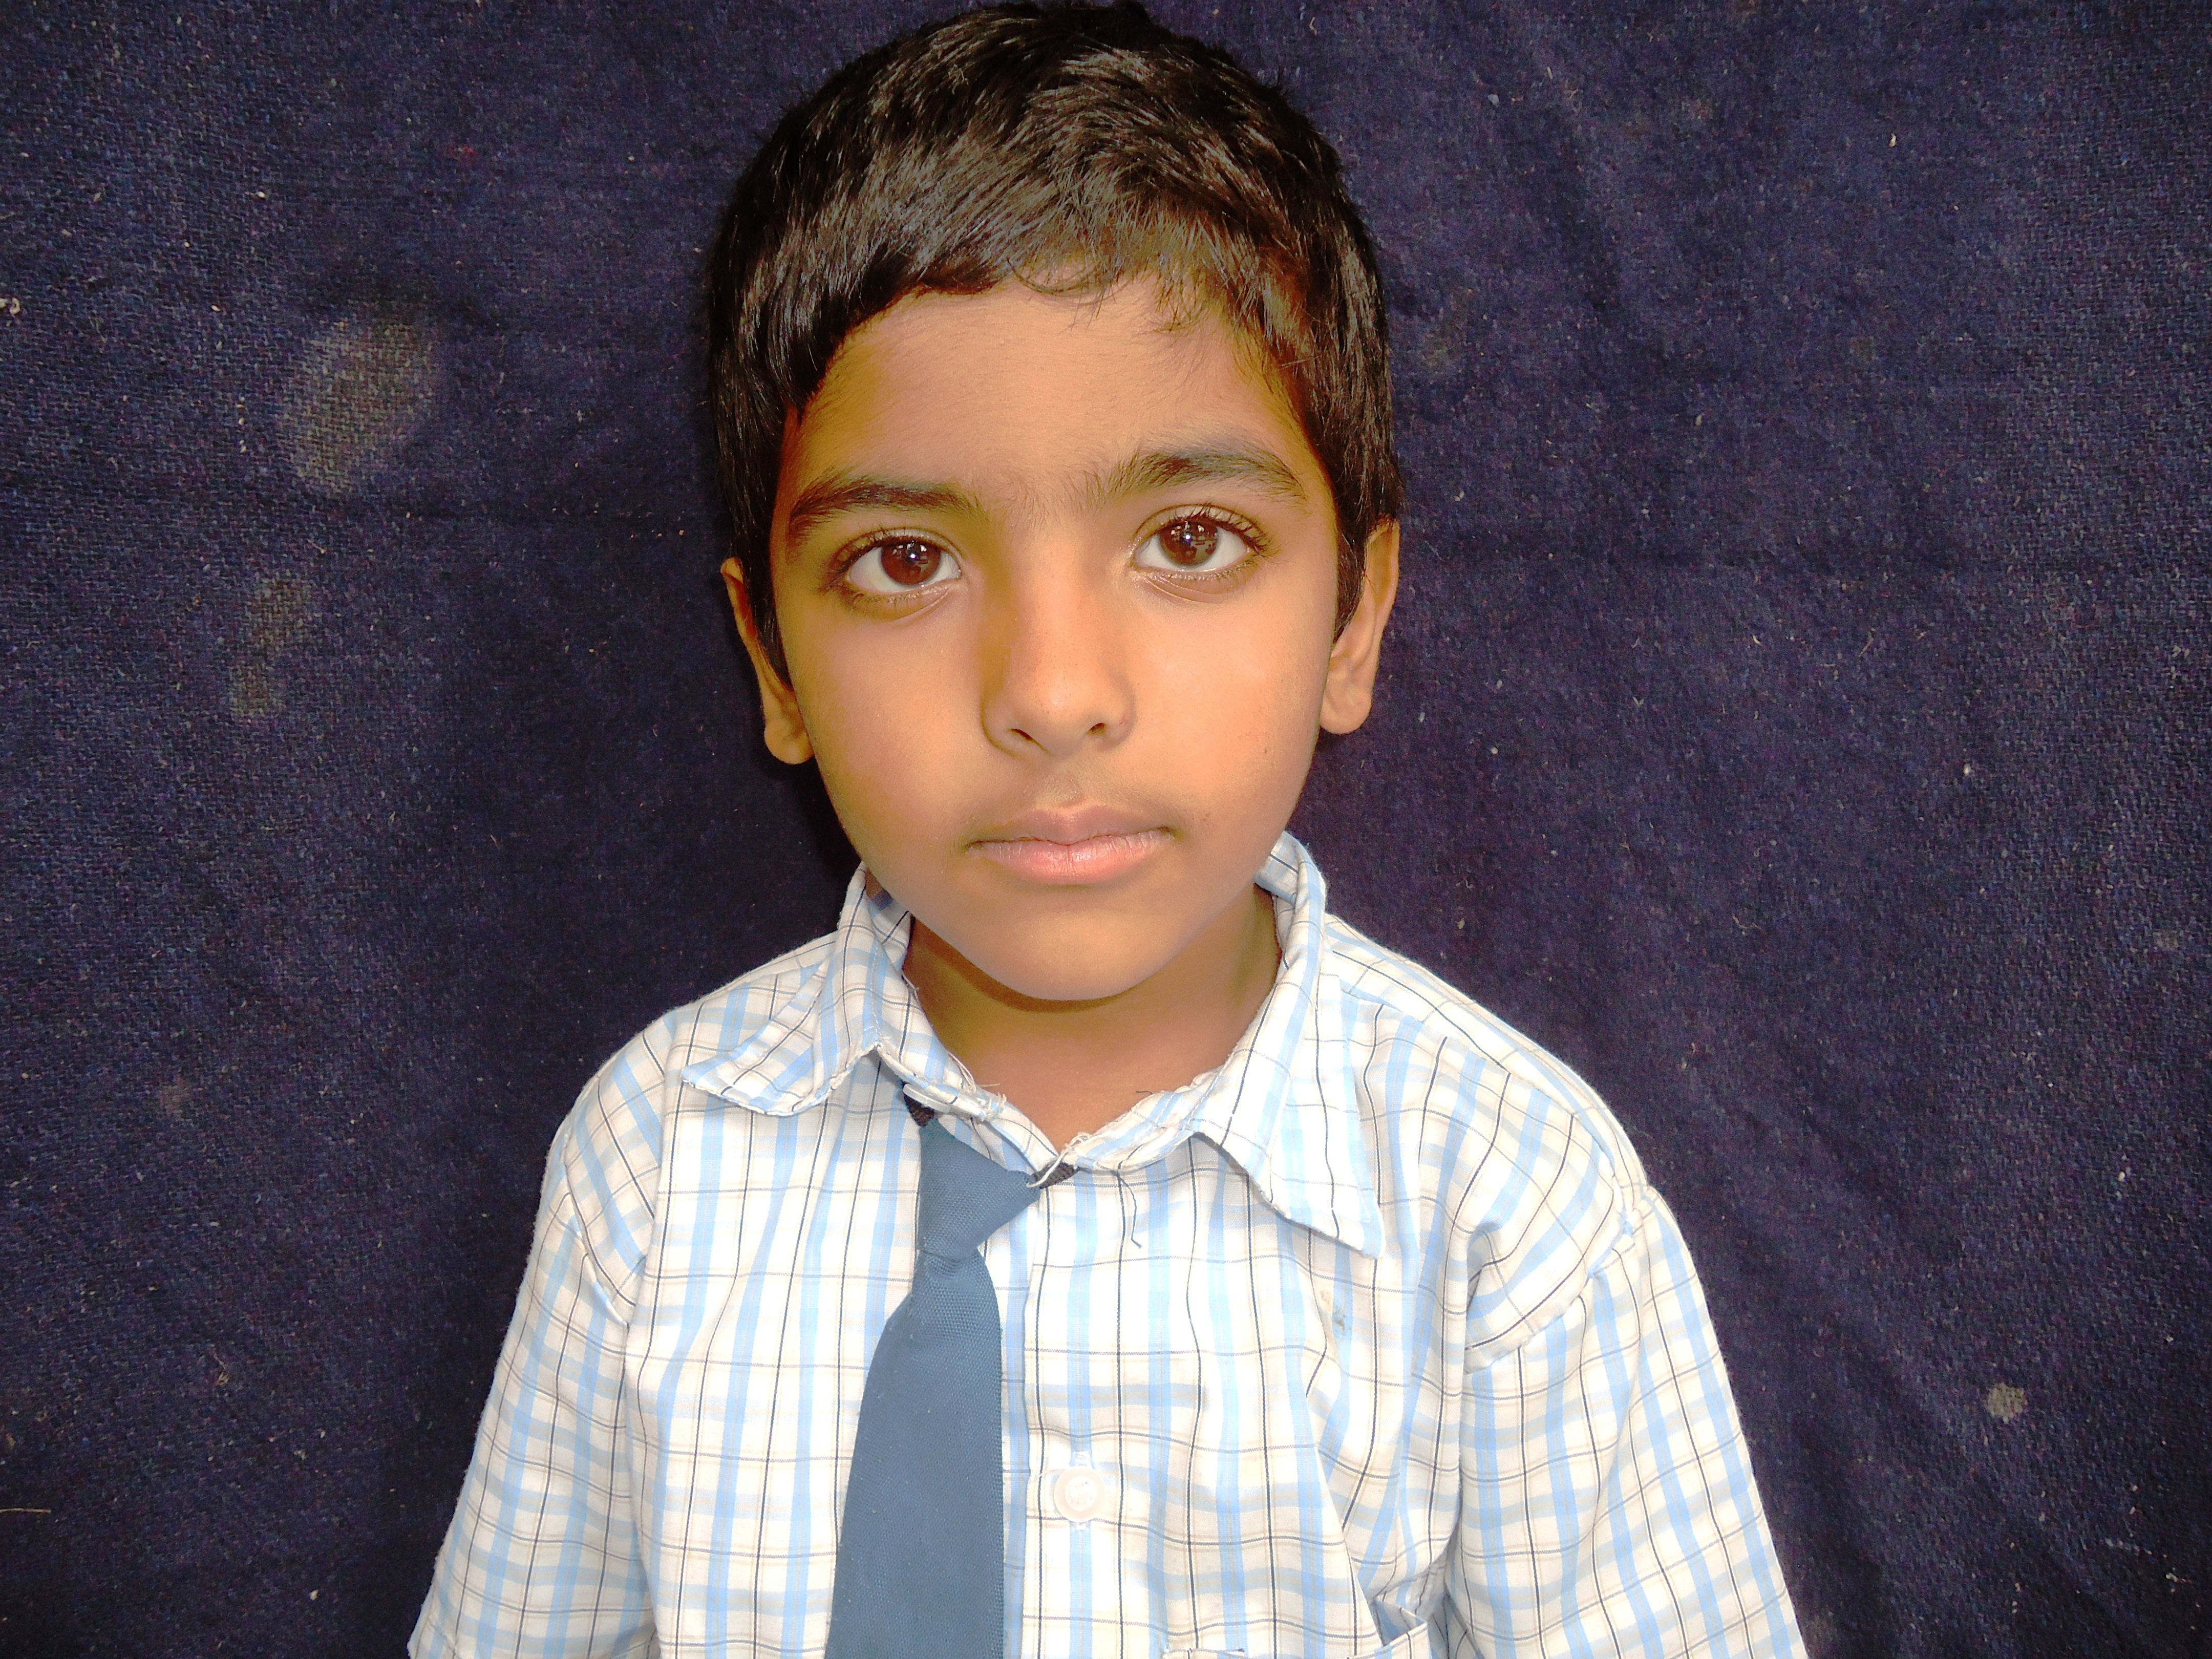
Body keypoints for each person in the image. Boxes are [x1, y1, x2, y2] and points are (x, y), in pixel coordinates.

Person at [412, 5, 1806, 1655]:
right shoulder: (653, 1171)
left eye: (1191, 539)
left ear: (1354, 619)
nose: (1054, 693)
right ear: (773, 664)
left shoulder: (1509, 1206)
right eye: (907, 562)